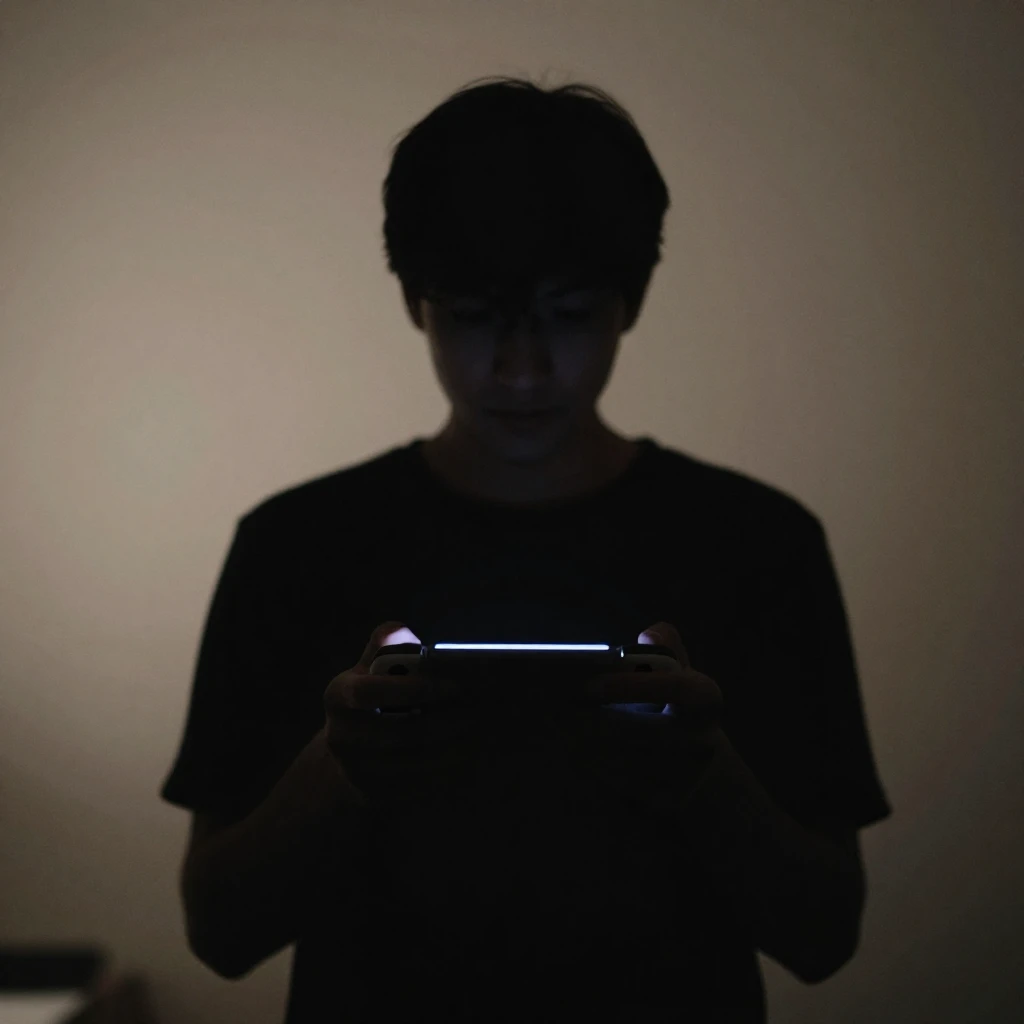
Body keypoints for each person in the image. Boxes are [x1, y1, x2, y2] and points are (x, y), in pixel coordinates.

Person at [160, 75, 891, 1023]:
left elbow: (825, 937)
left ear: (631, 303)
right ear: (414, 302)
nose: (522, 369)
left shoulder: (760, 544)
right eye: (475, 316)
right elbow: (219, 934)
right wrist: (339, 769)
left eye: (569, 313)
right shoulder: (293, 546)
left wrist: (705, 774)